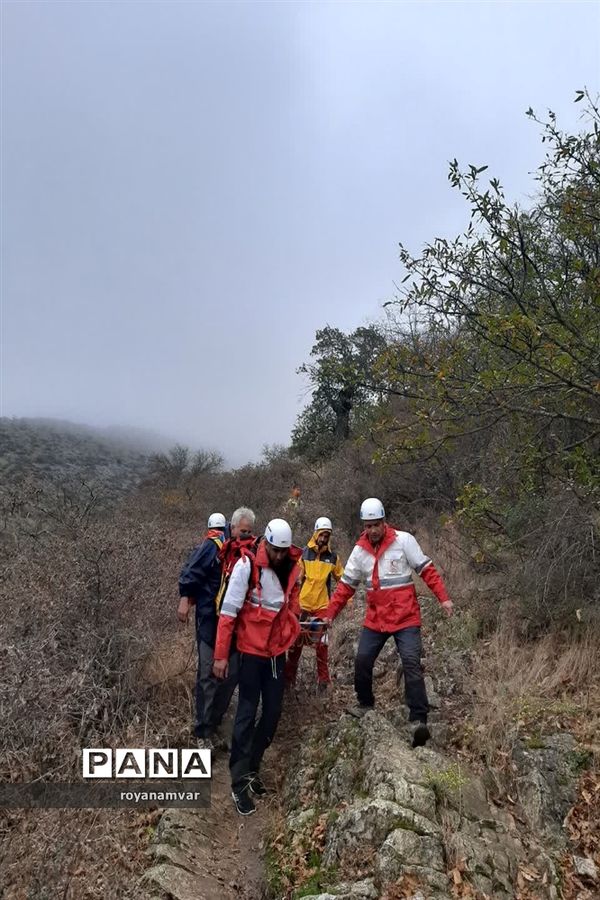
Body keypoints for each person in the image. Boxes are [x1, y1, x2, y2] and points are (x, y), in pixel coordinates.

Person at [325, 498, 453, 747]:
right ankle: (365, 703)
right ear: (364, 525)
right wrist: (330, 613)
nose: (372, 530)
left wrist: (443, 599)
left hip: (406, 617)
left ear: (384, 522)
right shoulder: (359, 551)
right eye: (368, 525)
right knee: (362, 660)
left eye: (376, 524)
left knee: (411, 663)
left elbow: (426, 570)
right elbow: (345, 587)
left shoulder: (403, 541)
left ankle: (419, 721)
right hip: (377, 618)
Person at [213, 518, 301, 816]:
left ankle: (253, 765)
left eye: (283, 552)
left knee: (273, 712)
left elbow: (291, 609)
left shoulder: (292, 569)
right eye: (275, 551)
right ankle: (238, 781)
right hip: (250, 651)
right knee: (247, 713)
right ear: (267, 544)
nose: (279, 556)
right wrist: (221, 656)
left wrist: (297, 633)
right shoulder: (246, 567)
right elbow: (228, 612)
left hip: (276, 653)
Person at [177, 509, 254, 750]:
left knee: (230, 677)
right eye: (242, 531)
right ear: (231, 529)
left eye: (249, 532)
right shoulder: (215, 547)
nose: (245, 536)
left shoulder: (248, 554)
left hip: (234, 625)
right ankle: (203, 732)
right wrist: (185, 597)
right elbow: (192, 571)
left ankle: (215, 723)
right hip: (210, 620)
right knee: (208, 675)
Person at [284, 516, 344, 693]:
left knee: (321, 645)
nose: (324, 538)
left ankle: (323, 682)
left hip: (321, 606)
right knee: (295, 646)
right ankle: (288, 682)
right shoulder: (303, 554)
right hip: (302, 605)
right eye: (322, 534)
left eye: (327, 535)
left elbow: (343, 578)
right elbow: (295, 580)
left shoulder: (333, 558)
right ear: (316, 534)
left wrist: (347, 599)